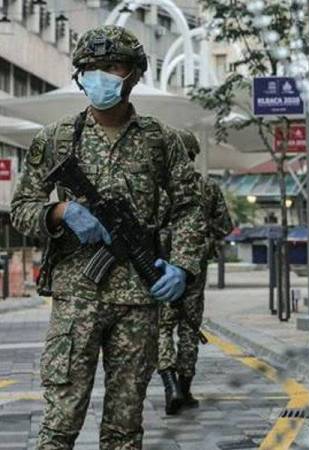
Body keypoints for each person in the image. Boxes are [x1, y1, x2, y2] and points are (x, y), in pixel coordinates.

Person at [10, 25, 207, 449]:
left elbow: (191, 208)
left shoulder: (161, 141)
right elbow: (22, 207)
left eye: (112, 66)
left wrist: (183, 266)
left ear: (133, 73)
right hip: (75, 299)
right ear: (80, 75)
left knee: (124, 428)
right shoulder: (57, 139)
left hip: (139, 299)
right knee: (60, 423)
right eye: (91, 68)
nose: (101, 76)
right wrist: (60, 211)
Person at [157, 129, 233, 415]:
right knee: (189, 327)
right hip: (195, 267)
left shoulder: (159, 187)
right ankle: (185, 388)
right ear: (193, 153)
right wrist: (206, 239)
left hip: (160, 266)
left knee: (162, 326)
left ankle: (169, 383)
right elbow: (225, 225)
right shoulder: (208, 187)